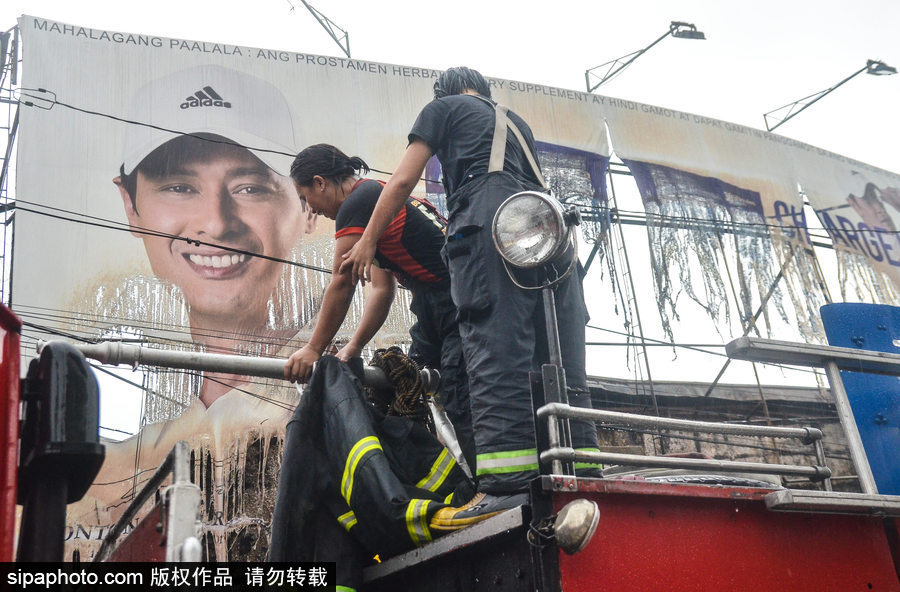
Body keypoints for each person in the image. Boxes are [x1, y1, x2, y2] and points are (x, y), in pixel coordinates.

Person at [66, 65, 323, 562]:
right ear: (130, 204)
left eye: (250, 187)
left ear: (307, 208)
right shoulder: (112, 474)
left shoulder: (342, 393)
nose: (215, 222)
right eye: (180, 187)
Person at [342, 66, 600, 529]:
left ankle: (505, 487)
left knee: (495, 348)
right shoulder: (515, 122)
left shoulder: (442, 109)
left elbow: (400, 182)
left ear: (444, 94)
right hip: (546, 228)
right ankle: (581, 470)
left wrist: (367, 241)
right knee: (555, 356)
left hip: (490, 224)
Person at [282, 143, 473, 471]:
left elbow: (342, 282)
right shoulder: (374, 202)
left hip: (460, 302)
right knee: (406, 387)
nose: (310, 208)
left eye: (305, 197)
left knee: (458, 395)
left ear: (320, 182)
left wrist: (313, 349)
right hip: (433, 305)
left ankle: (490, 487)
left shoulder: (360, 201)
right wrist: (353, 347)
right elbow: (382, 290)